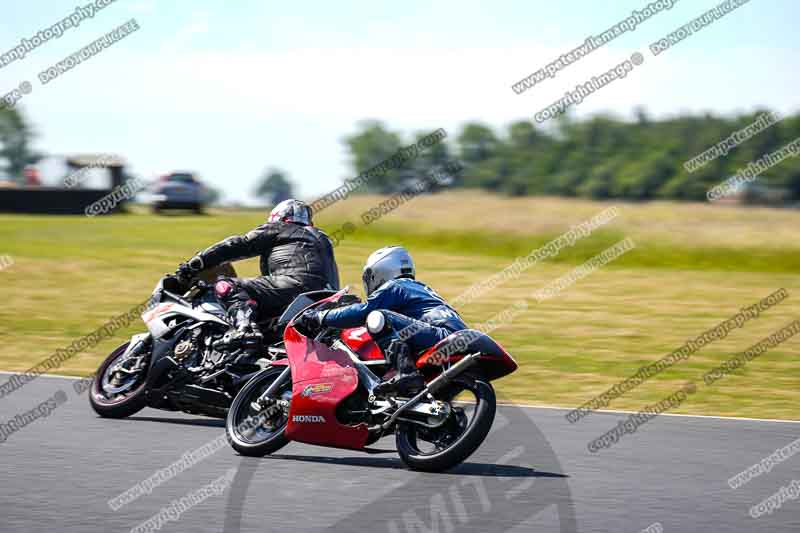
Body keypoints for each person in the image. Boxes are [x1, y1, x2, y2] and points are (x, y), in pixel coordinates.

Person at [299, 245, 467, 395]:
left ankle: (406, 373)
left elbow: (363, 312)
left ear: (380, 271)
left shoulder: (395, 286)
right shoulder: (419, 288)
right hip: (456, 338)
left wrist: (321, 316)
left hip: (441, 336)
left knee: (377, 316)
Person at [177, 199, 340, 349]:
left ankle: (244, 328)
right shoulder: (322, 238)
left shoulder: (281, 227)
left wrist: (197, 262)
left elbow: (237, 245)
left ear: (279, 217)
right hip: (327, 298)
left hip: (294, 289)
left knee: (227, 286)